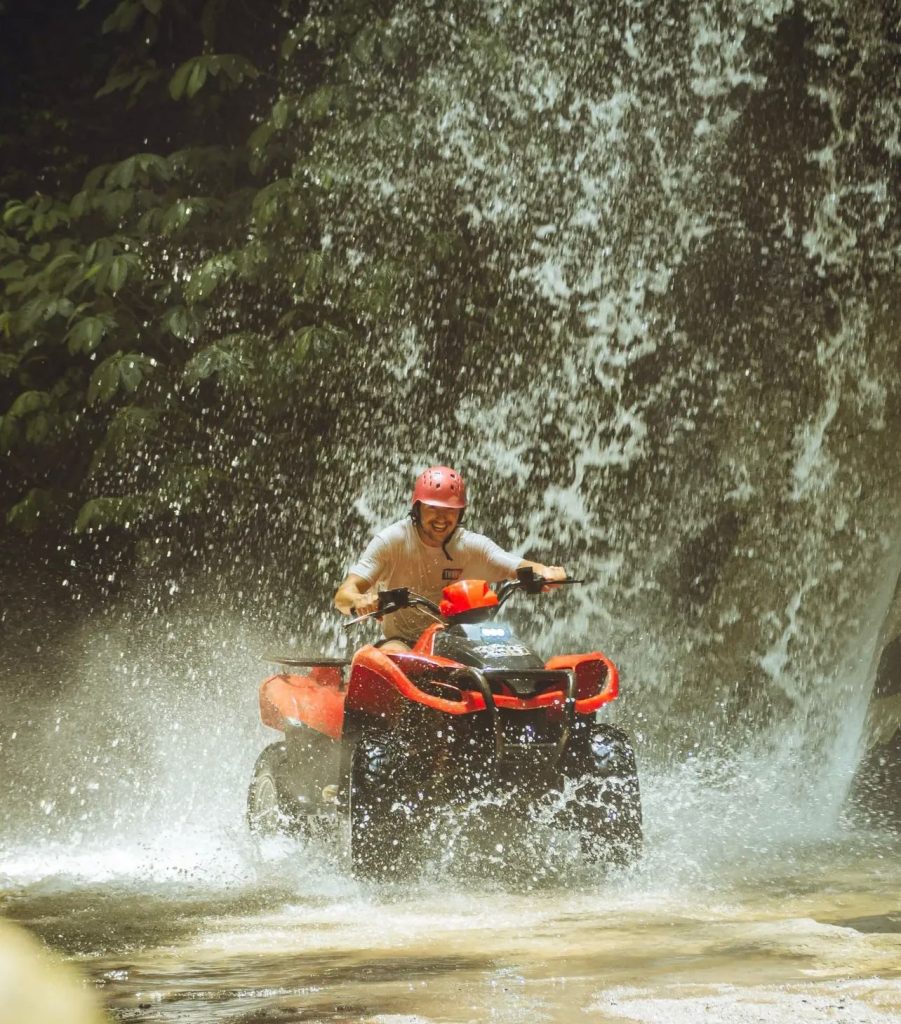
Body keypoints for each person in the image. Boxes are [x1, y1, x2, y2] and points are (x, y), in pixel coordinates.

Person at [334, 465, 567, 649]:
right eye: (433, 508)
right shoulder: (392, 541)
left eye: (450, 510)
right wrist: (358, 601)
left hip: (458, 641)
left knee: (500, 649)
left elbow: (516, 564)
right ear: (417, 508)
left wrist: (545, 572)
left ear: (461, 512)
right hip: (403, 643)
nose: (441, 518)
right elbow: (343, 595)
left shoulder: (471, 545)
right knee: (391, 654)